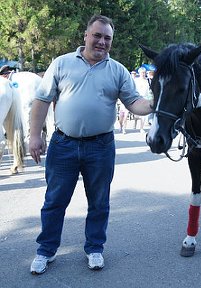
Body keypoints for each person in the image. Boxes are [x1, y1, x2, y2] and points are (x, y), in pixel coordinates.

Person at [29, 14, 153, 275]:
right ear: (85, 35)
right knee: (54, 201)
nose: (102, 42)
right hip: (63, 145)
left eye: (107, 38)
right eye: (97, 35)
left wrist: (156, 104)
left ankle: (95, 248)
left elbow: (134, 103)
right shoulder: (61, 64)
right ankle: (46, 250)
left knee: (99, 201)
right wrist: (35, 136)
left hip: (100, 146)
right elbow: (41, 100)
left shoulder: (117, 70)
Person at [133, 67, 150, 133]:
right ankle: (135, 123)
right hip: (137, 98)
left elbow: (148, 90)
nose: (143, 74)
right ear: (139, 73)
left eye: (144, 72)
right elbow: (134, 89)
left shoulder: (147, 80)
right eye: (142, 73)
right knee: (136, 115)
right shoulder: (136, 80)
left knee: (144, 114)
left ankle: (141, 128)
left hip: (145, 98)